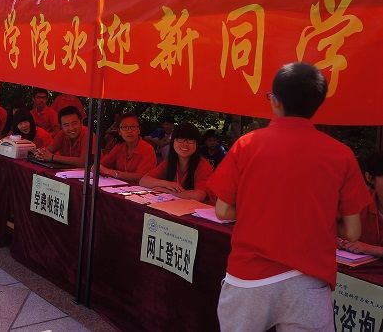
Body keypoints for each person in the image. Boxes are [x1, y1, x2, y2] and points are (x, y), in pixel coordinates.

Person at [207, 62, 369, 331]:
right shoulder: (341, 155)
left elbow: (223, 211)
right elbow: (353, 232)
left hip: (250, 277)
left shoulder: (247, 145)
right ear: (317, 104)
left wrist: (260, 211)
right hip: (308, 282)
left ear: (275, 100)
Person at [139, 122, 212, 200]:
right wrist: (167, 184)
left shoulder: (203, 165)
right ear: (173, 141)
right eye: (180, 139)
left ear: (197, 144)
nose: (185, 144)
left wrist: (168, 192)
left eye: (190, 140)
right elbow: (143, 181)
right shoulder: (170, 161)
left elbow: (199, 195)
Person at [339, 152, 383, 257]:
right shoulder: (357, 203)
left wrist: (371, 249)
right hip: (355, 266)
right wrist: (343, 242)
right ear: (369, 178)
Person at [99, 113, 156, 182]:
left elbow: (142, 177)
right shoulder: (119, 147)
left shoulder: (147, 149)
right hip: (117, 186)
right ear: (119, 132)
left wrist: (114, 173)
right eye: (125, 127)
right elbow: (100, 165)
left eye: (133, 126)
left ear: (139, 130)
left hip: (139, 187)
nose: (129, 131)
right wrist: (100, 168)